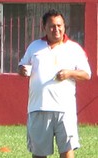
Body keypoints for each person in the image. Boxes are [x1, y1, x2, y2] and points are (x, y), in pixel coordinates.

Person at [18, 9, 91, 158]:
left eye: (59, 25)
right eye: (52, 26)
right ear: (44, 27)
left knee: (67, 151)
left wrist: (69, 73)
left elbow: (86, 74)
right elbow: (21, 66)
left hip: (65, 109)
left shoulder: (74, 48)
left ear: (64, 26)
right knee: (38, 154)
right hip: (38, 108)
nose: (56, 29)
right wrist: (22, 70)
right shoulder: (34, 47)